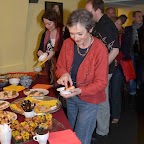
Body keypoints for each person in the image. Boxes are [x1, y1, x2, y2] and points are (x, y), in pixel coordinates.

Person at [55, 9, 108, 144]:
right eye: (72, 33)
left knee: (81, 138)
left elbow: (101, 82)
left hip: (90, 101)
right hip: (71, 98)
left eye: (79, 33)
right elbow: (59, 67)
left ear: (90, 29)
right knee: (71, 132)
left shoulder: (100, 49)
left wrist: (79, 91)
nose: (75, 38)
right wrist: (64, 73)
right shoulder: (67, 43)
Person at [85, 0, 119, 142]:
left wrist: (101, 68)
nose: (86, 14)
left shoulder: (107, 25)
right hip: (97, 69)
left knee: (102, 100)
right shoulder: (97, 24)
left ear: (96, 10)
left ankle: (103, 132)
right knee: (97, 99)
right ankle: (99, 128)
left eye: (88, 11)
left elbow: (115, 50)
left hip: (104, 70)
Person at [121, 11, 144, 105]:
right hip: (131, 54)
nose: (141, 18)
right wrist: (126, 54)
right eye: (138, 16)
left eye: (141, 16)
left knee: (140, 73)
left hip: (141, 55)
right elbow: (124, 43)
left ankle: (138, 87)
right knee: (131, 73)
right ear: (133, 18)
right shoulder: (128, 29)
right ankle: (132, 92)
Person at [37, 9, 63, 84]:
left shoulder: (63, 32)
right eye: (45, 24)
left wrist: (54, 53)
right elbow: (40, 49)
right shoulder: (45, 34)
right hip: (49, 68)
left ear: (55, 21)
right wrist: (39, 52)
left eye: (49, 23)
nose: (47, 26)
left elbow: (67, 52)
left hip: (61, 67)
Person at [110, 15, 127, 124]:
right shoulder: (107, 35)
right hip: (107, 67)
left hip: (118, 67)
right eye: (117, 23)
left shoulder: (123, 36)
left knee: (115, 91)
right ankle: (111, 112)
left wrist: (116, 58)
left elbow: (126, 52)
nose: (119, 26)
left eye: (120, 24)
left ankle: (116, 114)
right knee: (108, 92)